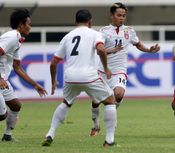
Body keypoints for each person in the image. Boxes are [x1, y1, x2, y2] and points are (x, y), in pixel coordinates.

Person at [41, 9, 117, 147]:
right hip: (89, 76)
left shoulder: (67, 37)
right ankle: (109, 140)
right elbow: (100, 49)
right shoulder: (96, 34)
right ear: (90, 22)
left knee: (66, 103)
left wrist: (53, 82)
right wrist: (106, 68)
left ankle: (50, 133)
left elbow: (53, 63)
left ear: (75, 22)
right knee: (111, 101)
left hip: (70, 77)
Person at [89, 2, 160, 137]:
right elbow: (99, 50)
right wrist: (112, 50)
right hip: (103, 70)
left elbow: (138, 44)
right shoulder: (103, 31)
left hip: (120, 70)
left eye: (124, 16)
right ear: (112, 16)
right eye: (119, 15)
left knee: (119, 94)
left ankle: (111, 117)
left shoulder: (129, 31)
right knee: (96, 100)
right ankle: (95, 125)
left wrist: (149, 50)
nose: (121, 18)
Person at [0, 9, 47, 141]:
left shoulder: (17, 39)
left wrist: (35, 85)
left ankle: (7, 136)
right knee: (2, 115)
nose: (30, 27)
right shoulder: (12, 37)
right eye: (29, 24)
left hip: (3, 79)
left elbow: (17, 67)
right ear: (21, 25)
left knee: (16, 106)